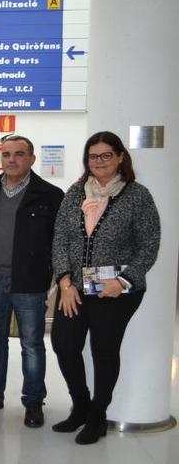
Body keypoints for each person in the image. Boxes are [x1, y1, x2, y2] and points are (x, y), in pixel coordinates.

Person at [50, 131, 160, 445]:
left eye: (105, 155)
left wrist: (123, 281)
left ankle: (98, 415)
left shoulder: (137, 196)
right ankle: (81, 405)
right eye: (93, 156)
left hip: (117, 288)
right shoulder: (75, 193)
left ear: (120, 157)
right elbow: (60, 239)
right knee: (65, 344)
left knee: (104, 349)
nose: (99, 162)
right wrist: (64, 281)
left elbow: (148, 246)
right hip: (74, 286)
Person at [0, 135, 64, 428]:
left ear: (32, 159)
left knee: (32, 344)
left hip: (29, 283)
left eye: (19, 154)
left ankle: (33, 401)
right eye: (6, 154)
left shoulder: (50, 195)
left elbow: (58, 241)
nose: (11, 159)